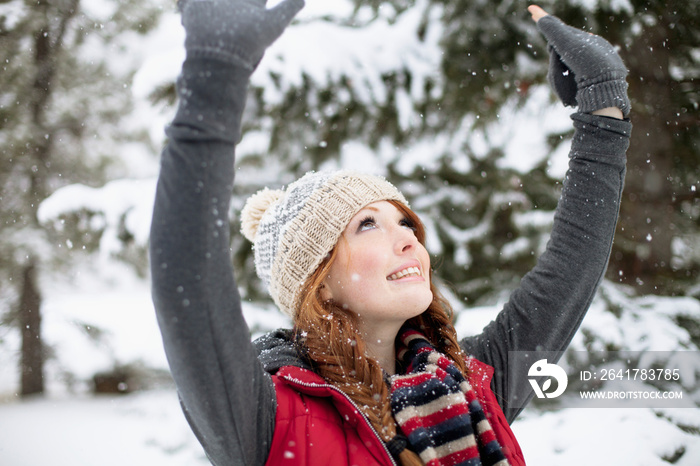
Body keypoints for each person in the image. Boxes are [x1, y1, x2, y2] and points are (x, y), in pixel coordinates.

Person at [149, 1, 631, 465]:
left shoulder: (474, 383)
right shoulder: (266, 417)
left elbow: (572, 268)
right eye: (366, 224)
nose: (408, 240)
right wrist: (215, 76)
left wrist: (603, 111)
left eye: (404, 222)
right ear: (318, 280)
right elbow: (188, 283)